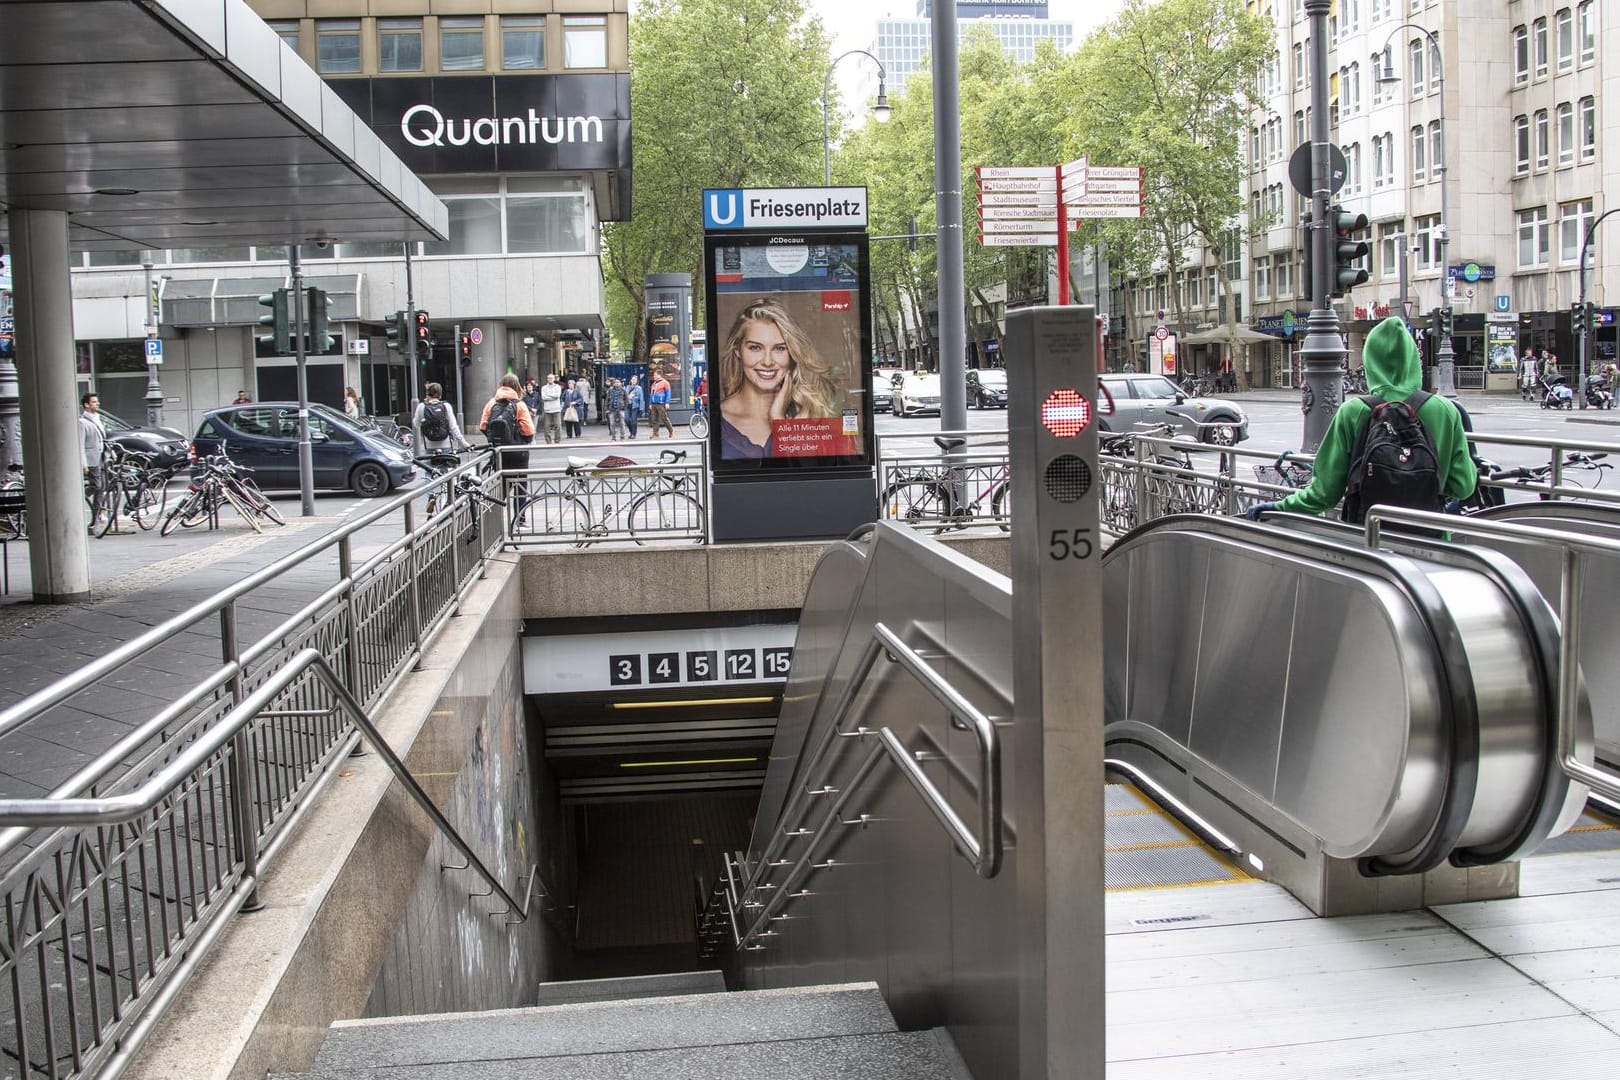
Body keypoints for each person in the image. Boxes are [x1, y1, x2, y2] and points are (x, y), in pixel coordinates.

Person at [1246, 315, 1475, 522]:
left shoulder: (1353, 411)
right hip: (1430, 539)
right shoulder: (1445, 410)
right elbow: (1463, 486)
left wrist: (1279, 506)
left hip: (1367, 540)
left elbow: (1324, 494)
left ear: (1370, 363)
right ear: (1413, 359)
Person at [717, 297, 842, 458]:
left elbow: (813, 478)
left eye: (779, 348)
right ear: (738, 351)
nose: (767, 361)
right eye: (755, 348)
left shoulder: (812, 414)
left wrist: (779, 423)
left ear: (792, 354)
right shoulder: (719, 418)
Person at [479, 373, 535, 470]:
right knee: (520, 483)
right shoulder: (520, 405)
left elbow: (483, 426)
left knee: (502, 482)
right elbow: (529, 432)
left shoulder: (491, 403)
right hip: (518, 452)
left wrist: (497, 438)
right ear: (516, 386)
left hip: (498, 451)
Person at [412, 382, 471, 458]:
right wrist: (463, 442)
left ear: (427, 394)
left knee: (430, 468)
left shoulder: (422, 406)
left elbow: (416, 424)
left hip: (429, 446)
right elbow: (453, 427)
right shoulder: (446, 406)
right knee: (448, 468)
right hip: (446, 445)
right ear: (440, 395)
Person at [80, 393, 107, 533]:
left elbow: (102, 439)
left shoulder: (97, 418)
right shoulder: (82, 422)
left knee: (101, 487)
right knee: (97, 486)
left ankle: (97, 517)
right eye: (94, 402)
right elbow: (80, 444)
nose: (97, 404)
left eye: (97, 401)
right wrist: (83, 463)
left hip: (101, 457)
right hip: (91, 459)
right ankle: (79, 496)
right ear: (86, 404)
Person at [647, 367, 675, 438]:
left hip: (661, 403)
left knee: (664, 418)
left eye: (655, 375)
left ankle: (671, 431)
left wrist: (667, 402)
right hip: (654, 403)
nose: (654, 376)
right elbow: (651, 394)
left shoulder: (665, 383)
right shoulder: (653, 384)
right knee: (654, 419)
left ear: (659, 375)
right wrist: (650, 403)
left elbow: (668, 393)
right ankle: (655, 433)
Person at [538, 372, 563, 444]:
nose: (550, 379)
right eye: (548, 378)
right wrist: (553, 396)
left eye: (551, 378)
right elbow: (543, 397)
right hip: (547, 410)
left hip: (556, 409)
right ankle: (548, 441)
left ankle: (557, 440)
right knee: (546, 426)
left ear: (554, 379)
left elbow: (557, 396)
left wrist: (548, 395)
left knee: (558, 425)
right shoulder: (544, 388)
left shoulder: (558, 387)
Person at [626, 374, 644, 439]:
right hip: (628, 405)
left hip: (635, 406)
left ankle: (634, 434)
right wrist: (628, 397)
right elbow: (624, 397)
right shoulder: (627, 387)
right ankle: (631, 432)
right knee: (627, 420)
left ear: (637, 381)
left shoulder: (639, 388)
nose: (633, 381)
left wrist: (641, 408)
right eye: (632, 379)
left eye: (635, 380)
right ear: (630, 380)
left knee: (633, 420)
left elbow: (641, 399)